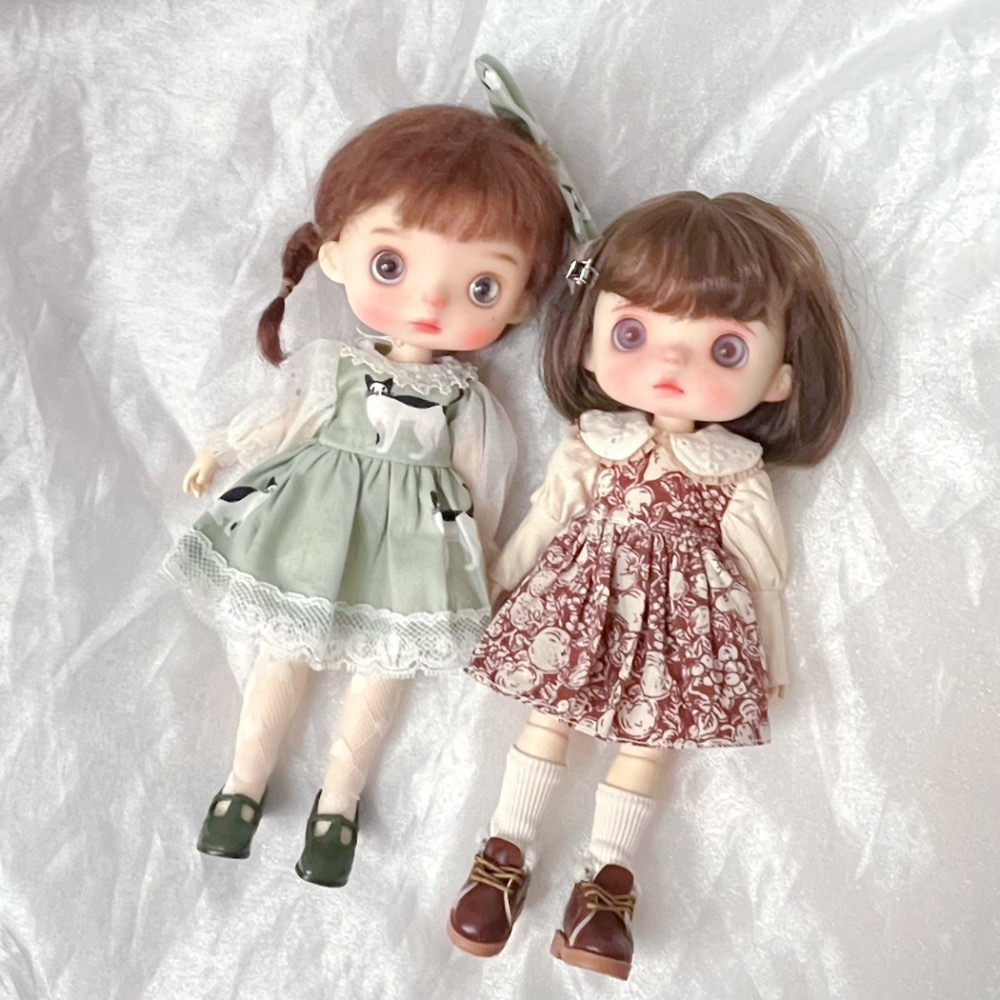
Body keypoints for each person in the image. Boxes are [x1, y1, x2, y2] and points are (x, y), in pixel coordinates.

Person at [448, 191, 853, 978]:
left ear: (781, 378)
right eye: (633, 334)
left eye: (725, 350)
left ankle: (605, 886)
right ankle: (502, 853)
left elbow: (766, 573)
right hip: (580, 604)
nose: (671, 365)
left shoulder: (735, 471)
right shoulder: (595, 442)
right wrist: (499, 576)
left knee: (650, 740)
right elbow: (547, 516)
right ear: (589, 344)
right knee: (548, 717)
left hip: (682, 625)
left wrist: (771, 654)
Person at [163, 103, 569, 887]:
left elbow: (482, 484)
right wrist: (224, 448)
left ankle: (338, 808)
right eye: (391, 265)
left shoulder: (466, 400)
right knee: (285, 651)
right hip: (315, 524)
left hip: (412, 547)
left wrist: (481, 559)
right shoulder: (336, 367)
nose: (430, 302)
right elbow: (287, 420)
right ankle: (241, 786)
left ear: (519, 303)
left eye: (481, 284)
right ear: (337, 254)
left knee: (383, 669)